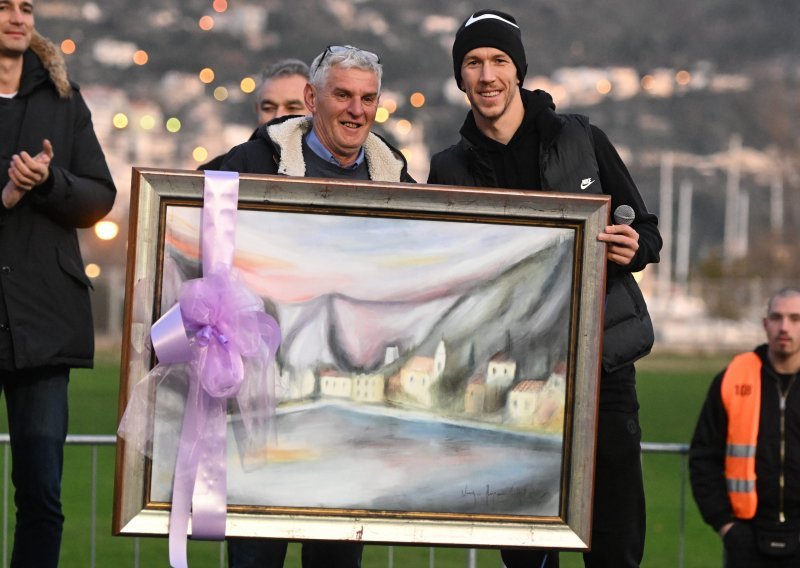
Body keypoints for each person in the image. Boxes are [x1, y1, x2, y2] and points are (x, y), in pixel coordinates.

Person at [427, 9, 661, 568]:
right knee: (526, 549)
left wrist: (636, 245)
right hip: (513, 378)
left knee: (616, 542)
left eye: (499, 61)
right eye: (473, 63)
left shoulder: (582, 139)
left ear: (519, 71)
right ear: (461, 78)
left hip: (601, 368)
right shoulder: (449, 168)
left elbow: (646, 230)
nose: (487, 75)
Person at [221, 44, 414, 568]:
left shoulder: (398, 180)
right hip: (262, 406)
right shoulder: (250, 162)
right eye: (343, 95)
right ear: (311, 98)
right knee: (255, 557)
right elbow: (188, 223)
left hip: (346, 418)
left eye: (368, 98)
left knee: (336, 561)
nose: (357, 110)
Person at [0, 0, 117, 566]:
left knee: (42, 495)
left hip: (44, 325)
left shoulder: (64, 100)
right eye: (3, 6)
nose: (18, 17)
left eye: (26, 6)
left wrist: (49, 181)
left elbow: (100, 196)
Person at [690, 287, 800, 567]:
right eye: (776, 317)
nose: (784, 326)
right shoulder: (734, 377)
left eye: (795, 318)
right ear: (765, 324)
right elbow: (703, 457)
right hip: (747, 538)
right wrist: (725, 525)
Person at [200, 58, 310, 170]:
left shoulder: (327, 173)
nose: (278, 116)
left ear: (316, 110)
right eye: (268, 108)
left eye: (292, 108)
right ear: (258, 110)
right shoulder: (216, 173)